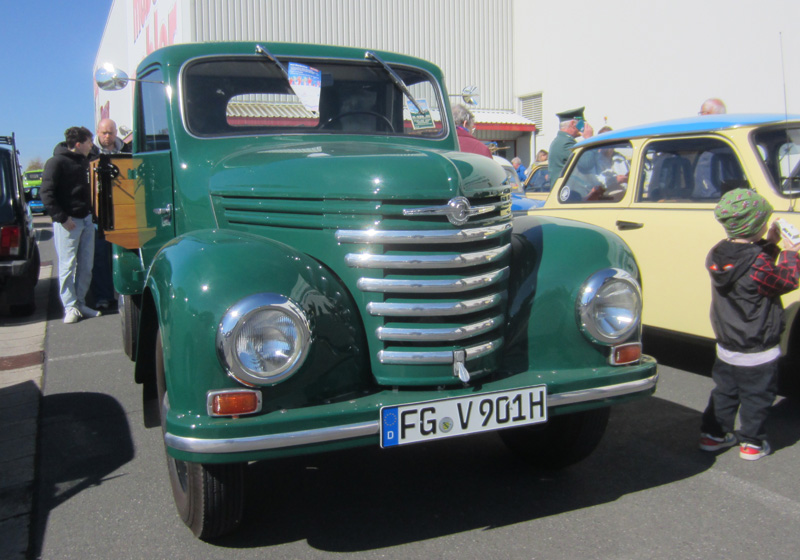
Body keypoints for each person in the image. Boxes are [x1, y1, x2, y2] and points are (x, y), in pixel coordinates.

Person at [699, 189, 800, 460]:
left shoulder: (717, 253)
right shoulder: (758, 263)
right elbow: (785, 280)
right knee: (757, 396)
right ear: (755, 225)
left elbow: (748, 263)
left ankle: (713, 436)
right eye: (764, 222)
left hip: (728, 341)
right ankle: (752, 443)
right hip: (757, 345)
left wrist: (770, 243)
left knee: (725, 391)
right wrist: (791, 254)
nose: (767, 225)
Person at [41, 127, 102, 324]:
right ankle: (70, 306)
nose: (92, 145)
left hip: (87, 220)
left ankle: (81, 303)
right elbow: (46, 193)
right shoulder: (56, 163)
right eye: (89, 141)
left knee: (86, 265)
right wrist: (62, 218)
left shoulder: (88, 160)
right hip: (68, 222)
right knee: (68, 266)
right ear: (78, 144)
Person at [89, 118, 127, 310]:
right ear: (97, 132)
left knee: (123, 254)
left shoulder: (127, 151)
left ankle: (124, 295)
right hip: (99, 215)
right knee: (100, 257)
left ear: (115, 133)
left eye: (110, 132)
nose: (107, 136)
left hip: (123, 211)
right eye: (104, 132)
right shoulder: (89, 153)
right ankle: (103, 296)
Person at [548, 107, 594, 181]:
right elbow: (587, 165)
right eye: (581, 123)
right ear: (573, 124)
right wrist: (589, 139)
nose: (583, 126)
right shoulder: (566, 143)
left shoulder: (562, 140)